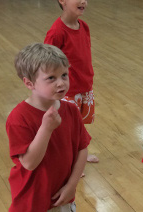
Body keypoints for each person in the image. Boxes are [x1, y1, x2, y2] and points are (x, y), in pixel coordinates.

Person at [7, 43, 90, 211]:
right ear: (29, 83)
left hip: (62, 197)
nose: (61, 83)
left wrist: (72, 186)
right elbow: (29, 163)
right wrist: (46, 128)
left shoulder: (71, 110)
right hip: (32, 201)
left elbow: (82, 149)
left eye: (64, 75)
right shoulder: (18, 117)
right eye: (51, 78)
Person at [44, 0, 99, 167]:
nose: (83, 1)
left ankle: (80, 154)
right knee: (66, 128)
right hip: (66, 91)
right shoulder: (57, 32)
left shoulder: (84, 26)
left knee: (79, 125)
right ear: (62, 0)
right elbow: (47, 64)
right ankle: (69, 162)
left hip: (84, 86)